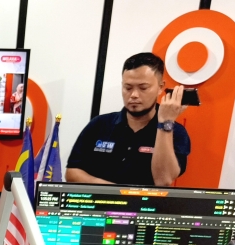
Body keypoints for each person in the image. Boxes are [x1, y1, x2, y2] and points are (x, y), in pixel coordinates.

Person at [67, 52, 191, 187]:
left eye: (143, 88)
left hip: (146, 206)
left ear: (160, 87)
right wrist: (116, 192)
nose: (134, 95)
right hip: (99, 204)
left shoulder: (176, 132)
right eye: (128, 88)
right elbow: (72, 173)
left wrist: (165, 122)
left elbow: (163, 180)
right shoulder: (100, 124)